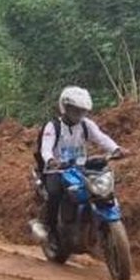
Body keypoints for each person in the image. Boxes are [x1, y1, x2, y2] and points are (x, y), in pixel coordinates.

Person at [30, 86, 125, 242]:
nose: (78, 113)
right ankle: (48, 226)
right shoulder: (53, 126)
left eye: (82, 110)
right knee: (54, 193)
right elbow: (45, 149)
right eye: (74, 109)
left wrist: (116, 148)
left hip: (80, 168)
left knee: (101, 187)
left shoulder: (86, 125)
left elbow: (101, 138)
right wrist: (52, 161)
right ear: (65, 108)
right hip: (56, 170)